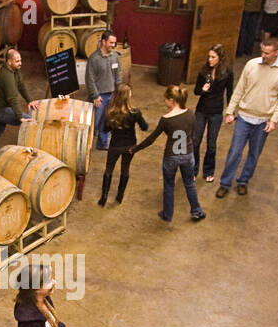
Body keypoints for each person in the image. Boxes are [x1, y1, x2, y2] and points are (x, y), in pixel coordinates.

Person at [216, 36, 278, 198]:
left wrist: (274, 120)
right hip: (244, 117)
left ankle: (243, 181)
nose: (263, 56)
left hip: (263, 121)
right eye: (262, 52)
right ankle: (225, 183)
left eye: (267, 53)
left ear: (277, 53)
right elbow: (239, 89)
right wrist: (230, 112)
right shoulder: (251, 65)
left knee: (254, 154)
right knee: (235, 151)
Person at [133, 84, 206, 223]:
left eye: (165, 99)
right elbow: (194, 135)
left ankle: (167, 214)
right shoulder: (191, 113)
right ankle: (197, 211)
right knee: (189, 183)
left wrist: (135, 149)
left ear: (171, 100)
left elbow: (151, 139)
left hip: (171, 156)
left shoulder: (166, 119)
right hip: (187, 154)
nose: (164, 102)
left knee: (169, 185)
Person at [15, 262, 73, 327]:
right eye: (49, 281)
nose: (54, 282)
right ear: (36, 289)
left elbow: (53, 321)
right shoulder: (30, 324)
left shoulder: (43, 299)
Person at [99, 84, 147, 206]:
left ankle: (104, 196)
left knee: (109, 169)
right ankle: (119, 196)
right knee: (125, 169)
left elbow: (104, 129)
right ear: (127, 96)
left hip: (115, 145)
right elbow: (145, 127)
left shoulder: (110, 112)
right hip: (130, 146)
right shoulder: (135, 112)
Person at [0, 48, 32, 167]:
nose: (20, 63)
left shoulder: (15, 71)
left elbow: (21, 86)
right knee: (29, 119)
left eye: (20, 60)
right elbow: (12, 99)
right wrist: (20, 117)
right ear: (9, 62)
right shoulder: (7, 76)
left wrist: (29, 101)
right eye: (17, 61)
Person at [191, 44, 232, 181]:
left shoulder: (227, 73)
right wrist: (202, 89)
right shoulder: (204, 71)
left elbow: (230, 93)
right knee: (195, 141)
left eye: (213, 57)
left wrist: (230, 112)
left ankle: (208, 171)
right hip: (202, 110)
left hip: (216, 111)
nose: (210, 59)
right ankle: (193, 170)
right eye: (209, 56)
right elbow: (196, 91)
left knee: (211, 144)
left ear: (220, 58)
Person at [86, 29, 121, 150]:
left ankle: (102, 144)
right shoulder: (94, 58)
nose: (113, 45)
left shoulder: (115, 56)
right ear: (104, 42)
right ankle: (85, 145)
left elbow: (118, 76)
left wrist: (119, 93)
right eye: (111, 43)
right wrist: (95, 96)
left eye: (114, 43)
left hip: (111, 95)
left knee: (107, 121)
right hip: (99, 96)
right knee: (94, 122)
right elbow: (89, 79)